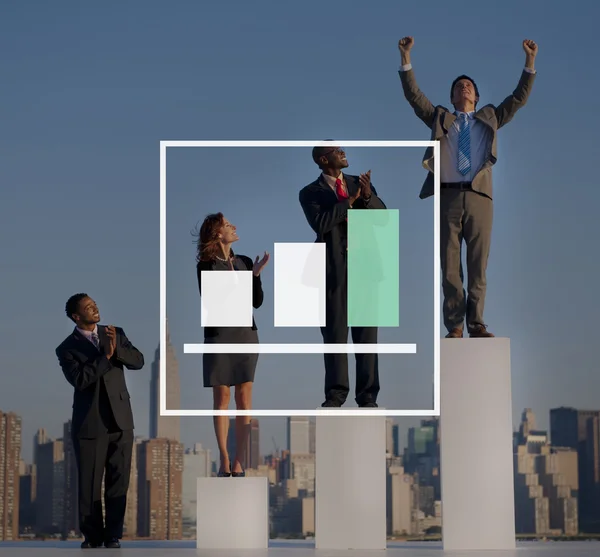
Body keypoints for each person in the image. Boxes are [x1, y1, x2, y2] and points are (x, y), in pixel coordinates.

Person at [397, 36, 538, 338]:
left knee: (478, 263)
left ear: (476, 96)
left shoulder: (489, 117)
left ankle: (476, 322)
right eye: (458, 86)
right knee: (449, 265)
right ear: (452, 98)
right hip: (447, 194)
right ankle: (455, 325)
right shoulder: (440, 117)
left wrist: (529, 63)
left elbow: (518, 98)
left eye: (469, 86)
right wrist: (406, 57)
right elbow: (414, 96)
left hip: (479, 197)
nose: (464, 88)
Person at [299, 144, 387, 407]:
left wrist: (368, 196)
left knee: (367, 338)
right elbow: (321, 224)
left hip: (366, 269)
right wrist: (349, 201)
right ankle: (336, 396)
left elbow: (382, 219)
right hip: (332, 271)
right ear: (323, 159)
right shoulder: (309, 193)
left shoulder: (358, 183)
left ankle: (368, 397)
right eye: (337, 150)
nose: (343, 151)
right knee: (335, 335)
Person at [55, 293, 144, 549]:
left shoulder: (115, 333)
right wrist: (104, 358)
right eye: (88, 307)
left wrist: (117, 352)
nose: (95, 308)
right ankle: (92, 537)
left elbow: (138, 361)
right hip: (90, 425)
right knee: (90, 484)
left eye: (94, 304)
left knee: (119, 482)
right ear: (76, 316)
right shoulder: (66, 348)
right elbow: (80, 380)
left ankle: (113, 536)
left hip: (121, 422)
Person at [194, 213, 269, 476]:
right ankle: (224, 459)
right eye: (228, 225)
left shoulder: (245, 262)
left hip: (245, 334)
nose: (234, 227)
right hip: (219, 335)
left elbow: (256, 302)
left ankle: (239, 461)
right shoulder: (206, 264)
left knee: (244, 399)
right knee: (222, 398)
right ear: (217, 233)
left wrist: (255, 276)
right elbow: (214, 298)